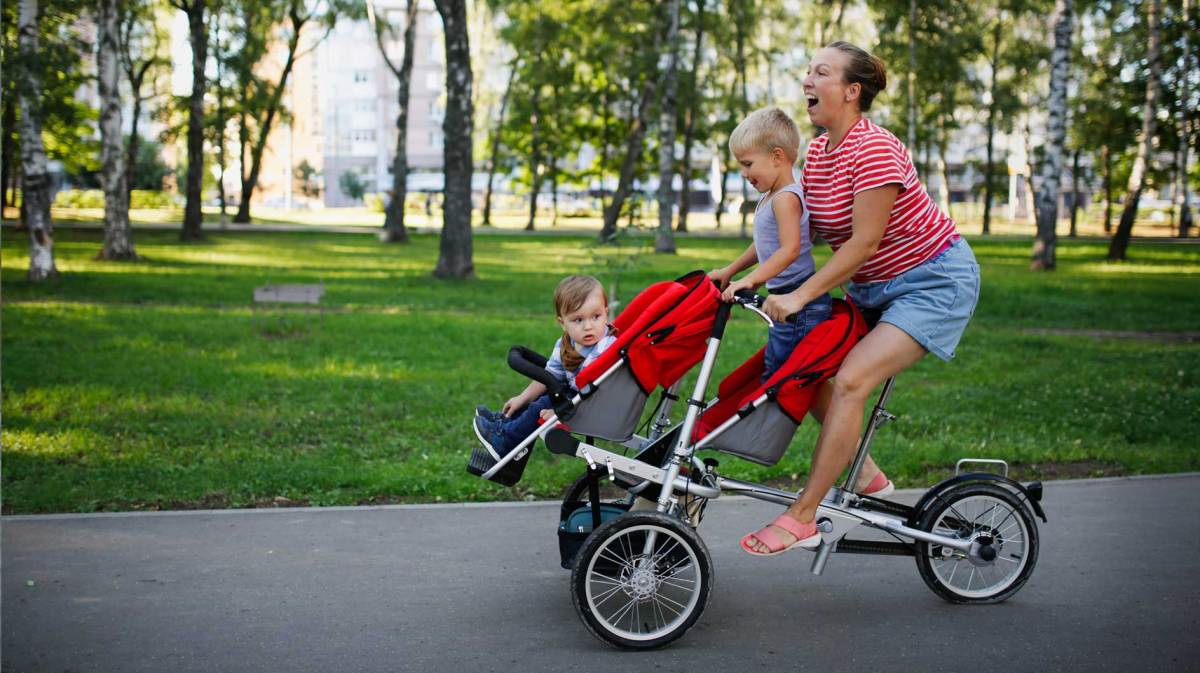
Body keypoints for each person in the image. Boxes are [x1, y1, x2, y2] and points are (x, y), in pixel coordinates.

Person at [740, 41, 981, 556]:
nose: (808, 79)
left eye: (821, 72)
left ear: (851, 91)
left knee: (850, 382)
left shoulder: (874, 148)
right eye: (808, 70)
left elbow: (864, 241)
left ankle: (804, 516)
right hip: (872, 288)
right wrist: (745, 274)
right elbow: (795, 229)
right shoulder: (822, 153)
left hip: (932, 282)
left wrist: (802, 295)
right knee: (806, 367)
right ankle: (866, 476)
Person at [708, 106, 832, 381]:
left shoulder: (786, 198)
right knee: (792, 380)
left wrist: (750, 281)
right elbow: (764, 245)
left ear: (777, 157)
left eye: (748, 164)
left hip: (799, 304)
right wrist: (731, 271)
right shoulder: (772, 196)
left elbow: (790, 250)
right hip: (786, 300)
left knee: (781, 380)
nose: (742, 172)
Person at [474, 275, 618, 459]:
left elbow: (602, 391)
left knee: (544, 403)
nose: (588, 326)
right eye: (578, 320)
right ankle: (505, 423)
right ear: (562, 322)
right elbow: (549, 375)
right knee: (543, 394)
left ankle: (506, 440)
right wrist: (522, 398)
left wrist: (560, 413)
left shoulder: (607, 347)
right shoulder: (565, 344)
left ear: (606, 312)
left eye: (596, 317)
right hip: (575, 397)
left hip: (593, 404)